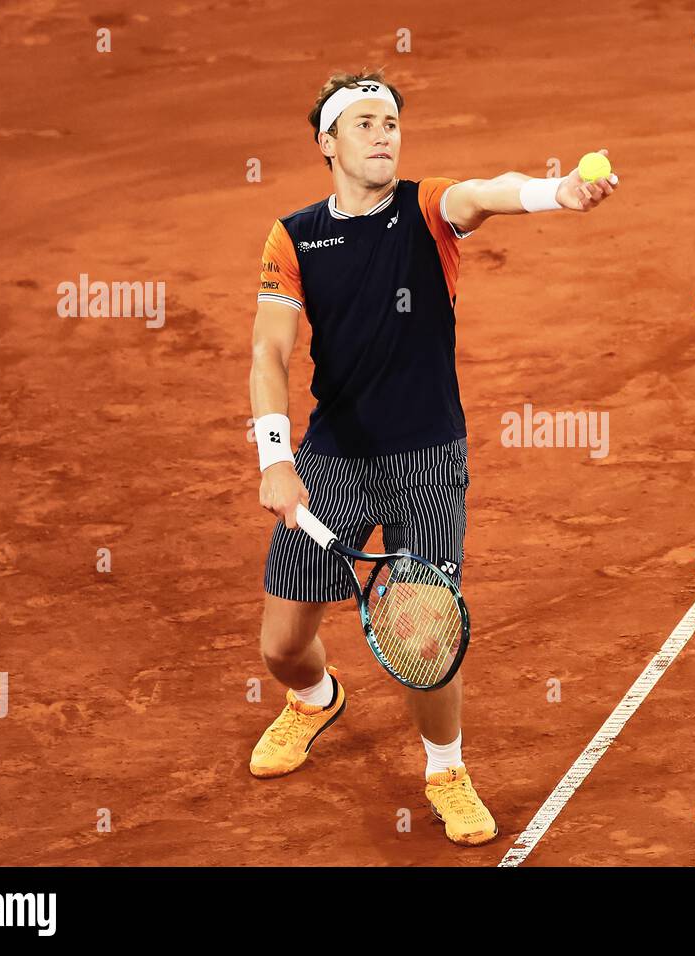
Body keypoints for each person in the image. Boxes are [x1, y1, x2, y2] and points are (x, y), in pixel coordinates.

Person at [246, 68, 618, 846]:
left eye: (391, 123)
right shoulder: (294, 236)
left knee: (424, 630)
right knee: (282, 646)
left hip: (426, 460)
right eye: (366, 124)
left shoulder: (425, 207)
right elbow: (270, 352)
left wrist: (559, 193)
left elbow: (487, 192)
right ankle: (316, 700)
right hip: (332, 459)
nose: (384, 135)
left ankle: (445, 769)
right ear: (328, 142)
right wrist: (276, 459)